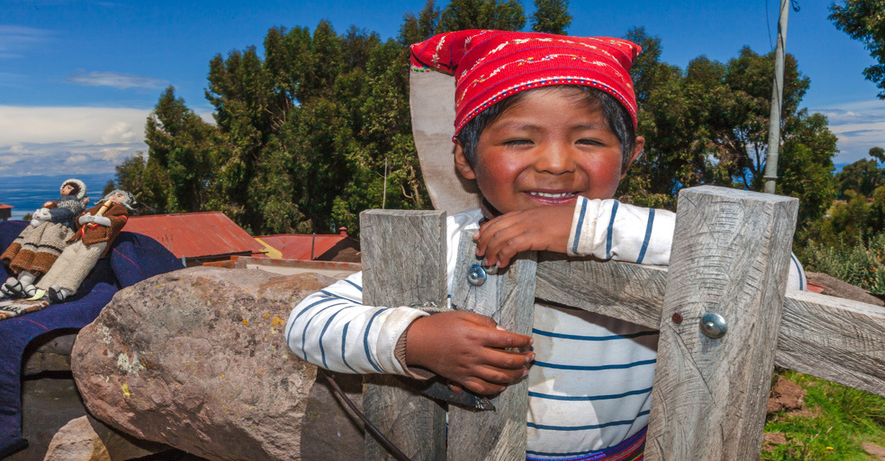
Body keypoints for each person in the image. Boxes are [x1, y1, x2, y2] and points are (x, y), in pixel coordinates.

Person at [286, 30, 806, 460]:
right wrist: (416, 341)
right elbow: (306, 323)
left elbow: (780, 275)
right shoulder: (453, 242)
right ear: (465, 160)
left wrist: (593, 228)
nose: (556, 163)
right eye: (518, 140)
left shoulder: (651, 238)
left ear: (630, 155)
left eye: (589, 140)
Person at [32, 189, 134, 303]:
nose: (114, 196)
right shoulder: (97, 208)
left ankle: (64, 290)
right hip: (79, 238)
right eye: (112, 194)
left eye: (120, 195)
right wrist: (83, 219)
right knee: (62, 261)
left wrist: (100, 219)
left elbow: (118, 222)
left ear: (126, 201)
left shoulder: (120, 210)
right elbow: (79, 219)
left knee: (80, 264)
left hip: (97, 240)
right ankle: (43, 287)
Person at [1, 178, 88, 297]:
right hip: (47, 230)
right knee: (31, 256)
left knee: (41, 256)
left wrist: (48, 214)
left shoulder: (71, 200)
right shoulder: (62, 200)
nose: (63, 189)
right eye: (64, 187)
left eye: (68, 188)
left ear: (76, 192)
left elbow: (67, 212)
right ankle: (21, 284)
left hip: (58, 232)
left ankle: (24, 284)